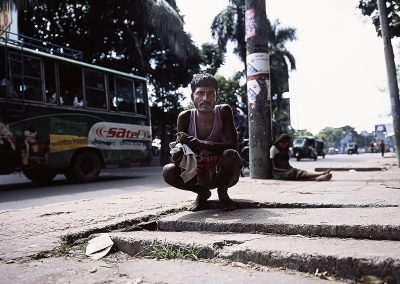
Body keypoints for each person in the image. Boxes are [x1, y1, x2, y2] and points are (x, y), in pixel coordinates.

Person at [162, 73, 243, 211]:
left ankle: (222, 193)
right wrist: (177, 157)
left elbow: (233, 146)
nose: (206, 98)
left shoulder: (223, 111)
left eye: (211, 93)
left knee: (231, 154)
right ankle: (202, 193)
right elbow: (180, 149)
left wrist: (202, 144)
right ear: (192, 97)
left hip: (222, 173)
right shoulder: (185, 117)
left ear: (216, 96)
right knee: (168, 171)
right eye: (200, 93)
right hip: (198, 172)